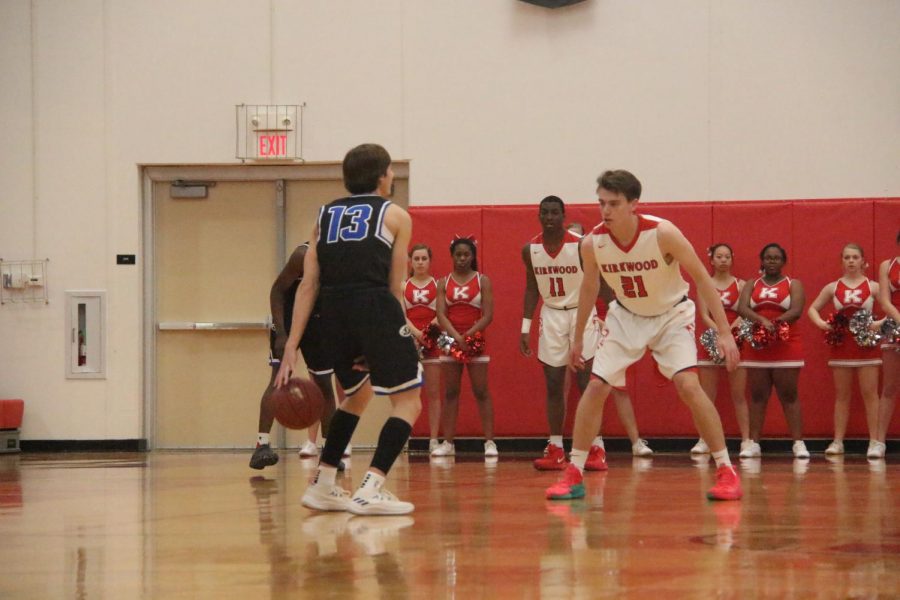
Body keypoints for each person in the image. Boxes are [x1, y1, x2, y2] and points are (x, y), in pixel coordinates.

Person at [545, 170, 742, 502]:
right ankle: (575, 472)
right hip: (626, 316)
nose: (605, 211)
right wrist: (578, 338)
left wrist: (724, 332)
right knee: (596, 387)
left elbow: (702, 278)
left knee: (688, 385)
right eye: (601, 203)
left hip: (672, 314)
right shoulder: (593, 243)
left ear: (633, 204)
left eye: (614, 204)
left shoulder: (663, 234)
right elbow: (590, 287)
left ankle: (726, 470)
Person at [275, 143, 422, 515]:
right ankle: (371, 486)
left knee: (356, 397)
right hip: (373, 306)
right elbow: (394, 284)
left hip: (333, 314)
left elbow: (308, 285)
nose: (392, 178)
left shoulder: (323, 216)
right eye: (390, 172)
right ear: (381, 175)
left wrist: (292, 345)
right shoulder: (397, 216)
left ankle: (323, 484)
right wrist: (397, 325)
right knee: (408, 400)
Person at [521, 197, 650, 472]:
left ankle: (596, 447)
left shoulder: (581, 244)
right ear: (538, 215)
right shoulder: (529, 249)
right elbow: (532, 287)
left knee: (587, 383)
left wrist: (621, 310)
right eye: (545, 212)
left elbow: (599, 283)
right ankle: (555, 447)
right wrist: (525, 326)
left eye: (555, 212)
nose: (550, 217)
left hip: (582, 312)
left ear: (563, 215)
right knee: (554, 383)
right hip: (552, 314)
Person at [249, 243, 342, 470]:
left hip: (317, 322)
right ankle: (262, 444)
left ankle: (330, 453)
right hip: (288, 321)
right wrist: (281, 333)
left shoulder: (343, 259)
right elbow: (278, 290)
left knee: (324, 386)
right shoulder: (303, 255)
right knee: (278, 378)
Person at [807, 244, 882, 456]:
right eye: (847, 257)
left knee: (870, 395)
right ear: (842, 261)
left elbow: (892, 306)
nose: (851, 261)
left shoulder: (874, 287)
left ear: (863, 261)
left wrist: (881, 323)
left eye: (855, 257)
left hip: (866, 347)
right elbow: (812, 308)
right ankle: (838, 441)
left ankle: (875, 442)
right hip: (842, 347)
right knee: (842, 396)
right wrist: (822, 324)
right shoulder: (833, 287)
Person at [735, 243, 808, 459]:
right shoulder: (751, 283)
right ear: (762, 260)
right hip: (758, 346)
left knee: (789, 395)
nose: (772, 261)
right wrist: (761, 321)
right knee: (757, 396)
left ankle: (798, 443)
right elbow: (742, 308)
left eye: (776, 258)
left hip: (786, 345)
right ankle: (753, 443)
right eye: (768, 258)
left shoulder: (793, 284)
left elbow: (796, 310)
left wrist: (775, 323)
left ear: (783, 261)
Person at [431, 237, 497, 458]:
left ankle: (489, 442)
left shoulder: (482, 280)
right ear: (452, 256)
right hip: (449, 339)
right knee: (450, 392)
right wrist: (456, 336)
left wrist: (468, 336)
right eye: (458, 255)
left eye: (466, 255)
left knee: (481, 391)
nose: (461, 259)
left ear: (472, 256)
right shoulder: (443, 282)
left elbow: (488, 315)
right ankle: (448, 443)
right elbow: (441, 314)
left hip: (475, 338)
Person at [693, 243, 752, 458]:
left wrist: (731, 333)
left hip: (736, 340)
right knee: (706, 396)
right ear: (711, 260)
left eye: (727, 256)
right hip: (712, 338)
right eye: (719, 256)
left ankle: (746, 440)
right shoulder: (704, 284)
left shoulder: (742, 284)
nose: (723, 260)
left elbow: (744, 312)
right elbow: (704, 315)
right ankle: (703, 439)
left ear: (732, 259)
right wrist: (720, 333)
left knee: (739, 395)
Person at [403, 244, 443, 453]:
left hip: (433, 343)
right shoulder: (404, 286)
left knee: (434, 393)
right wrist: (416, 335)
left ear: (429, 261)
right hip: (410, 343)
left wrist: (427, 334)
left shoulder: (438, 286)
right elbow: (402, 316)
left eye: (423, 259)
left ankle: (434, 439)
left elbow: (441, 314)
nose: (420, 262)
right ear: (410, 261)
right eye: (416, 259)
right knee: (408, 395)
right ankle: (404, 436)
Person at [873, 231, 900, 458]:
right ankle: (879, 441)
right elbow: (884, 300)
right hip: (894, 325)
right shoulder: (887, 266)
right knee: (889, 386)